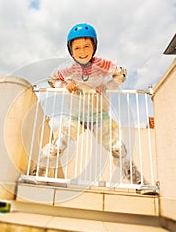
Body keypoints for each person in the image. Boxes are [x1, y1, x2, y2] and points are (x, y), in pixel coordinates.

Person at [42, 23, 144, 184]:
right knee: (60, 141)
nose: (82, 52)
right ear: (71, 51)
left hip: (99, 115)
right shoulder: (67, 68)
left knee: (116, 145)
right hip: (76, 116)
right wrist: (65, 85)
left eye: (86, 46)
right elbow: (51, 79)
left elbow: (121, 74)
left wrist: (107, 86)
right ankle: (40, 168)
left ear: (94, 47)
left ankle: (134, 176)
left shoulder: (103, 64)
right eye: (77, 48)